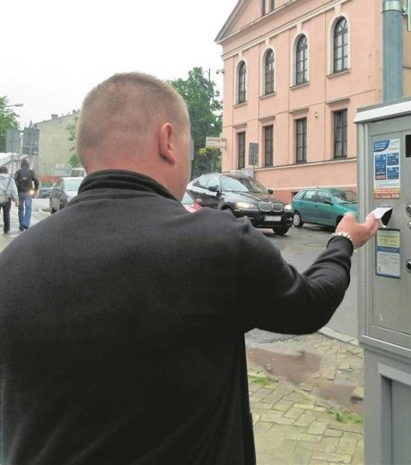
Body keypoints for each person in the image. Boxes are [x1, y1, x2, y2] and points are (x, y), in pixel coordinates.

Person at [0, 72, 378, 464]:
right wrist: (343, 241)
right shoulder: (218, 244)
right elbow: (311, 304)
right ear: (167, 141)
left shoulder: (12, 262)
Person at [14, 158, 39, 231]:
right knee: (28, 208)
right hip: (28, 192)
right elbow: (36, 181)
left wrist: (16, 191)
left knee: (20, 209)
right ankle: (26, 223)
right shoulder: (31, 172)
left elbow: (14, 182)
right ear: (28, 165)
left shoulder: (18, 172)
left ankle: (21, 225)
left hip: (20, 193)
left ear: (21, 165)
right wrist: (35, 190)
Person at [0, 166, 19, 234]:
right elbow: (14, 190)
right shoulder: (11, 179)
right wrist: (16, 200)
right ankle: (6, 229)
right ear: (7, 172)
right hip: (7, 199)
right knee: (6, 213)